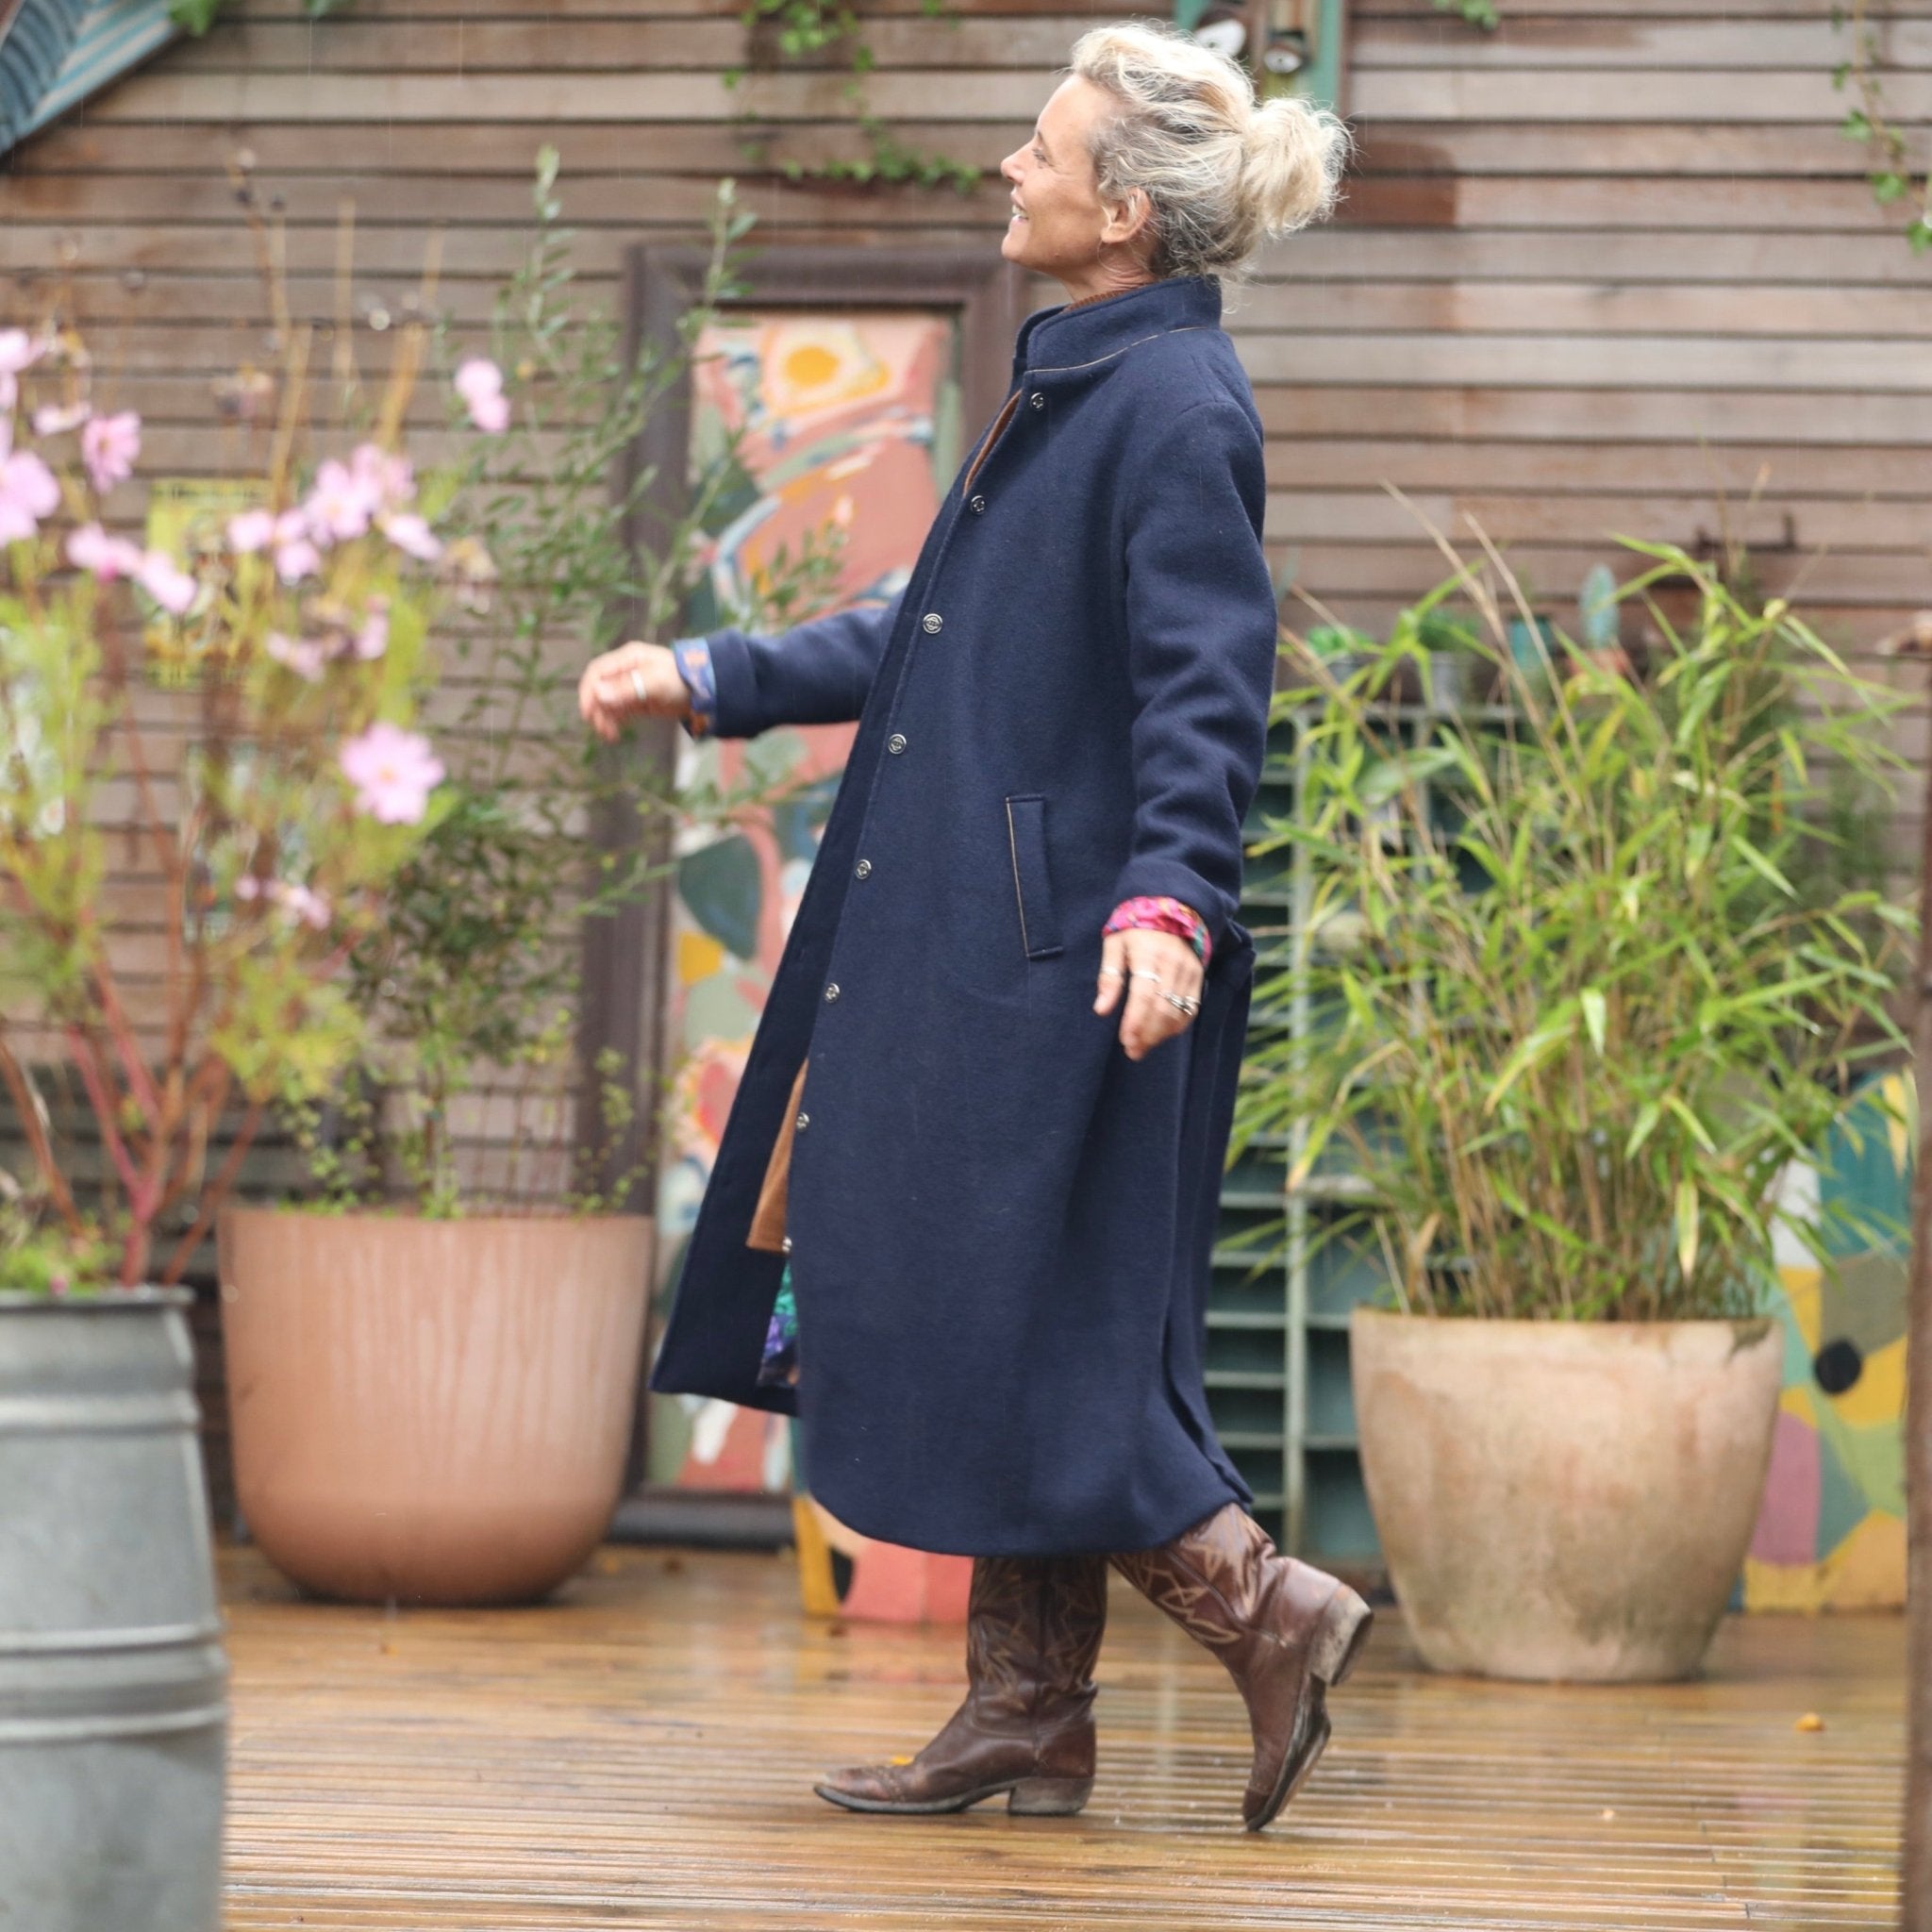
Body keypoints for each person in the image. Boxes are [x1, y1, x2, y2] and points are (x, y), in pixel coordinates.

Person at [578, 22, 1366, 1832]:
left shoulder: (1175, 411)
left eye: (1043, 149)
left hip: (1063, 971)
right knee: (1027, 1311)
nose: (1012, 167)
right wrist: (711, 673)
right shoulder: (1076, 384)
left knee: (990, 1321)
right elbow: (918, 629)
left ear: (1125, 213)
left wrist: (1170, 899)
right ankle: (1028, 1710)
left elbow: (1210, 687)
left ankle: (1266, 1608)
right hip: (989, 956)